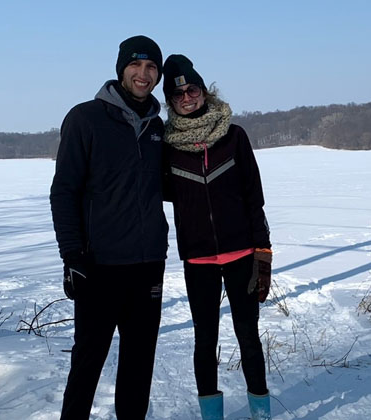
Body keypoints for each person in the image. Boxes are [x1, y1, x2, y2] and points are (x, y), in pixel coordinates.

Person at [50, 35, 169, 418]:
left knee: (139, 367)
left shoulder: (158, 128)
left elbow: (171, 185)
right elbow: (63, 191)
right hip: (98, 265)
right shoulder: (86, 118)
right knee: (87, 364)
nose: (143, 74)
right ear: (121, 69)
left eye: (151, 67)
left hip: (147, 263)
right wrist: (72, 255)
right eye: (136, 65)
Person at [160, 54, 273, 420]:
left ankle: (261, 411)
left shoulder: (234, 136)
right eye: (177, 95)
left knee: (248, 337)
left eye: (192, 89)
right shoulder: (167, 147)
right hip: (198, 259)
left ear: (204, 92)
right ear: (170, 101)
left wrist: (263, 250)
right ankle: (212, 415)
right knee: (205, 340)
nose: (186, 98)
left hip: (241, 253)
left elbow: (254, 196)